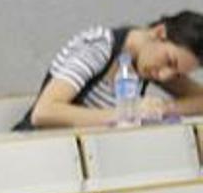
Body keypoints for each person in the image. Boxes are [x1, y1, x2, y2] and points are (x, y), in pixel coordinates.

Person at [18, 10, 203, 130]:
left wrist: (163, 109)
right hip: (36, 152)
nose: (165, 75)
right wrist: (127, 113)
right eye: (169, 61)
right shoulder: (100, 45)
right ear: (159, 33)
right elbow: (44, 112)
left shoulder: (149, 64)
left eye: (177, 74)